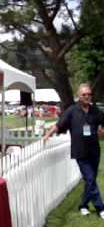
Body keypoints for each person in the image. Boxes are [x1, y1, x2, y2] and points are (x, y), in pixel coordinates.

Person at [44, 83, 104, 219]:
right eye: (84, 94)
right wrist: (48, 134)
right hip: (80, 151)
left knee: (91, 180)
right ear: (79, 96)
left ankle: (83, 205)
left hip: (95, 150)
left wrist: (102, 130)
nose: (87, 96)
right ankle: (101, 208)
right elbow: (59, 124)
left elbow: (103, 122)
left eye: (89, 94)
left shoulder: (95, 110)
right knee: (89, 178)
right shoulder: (71, 110)